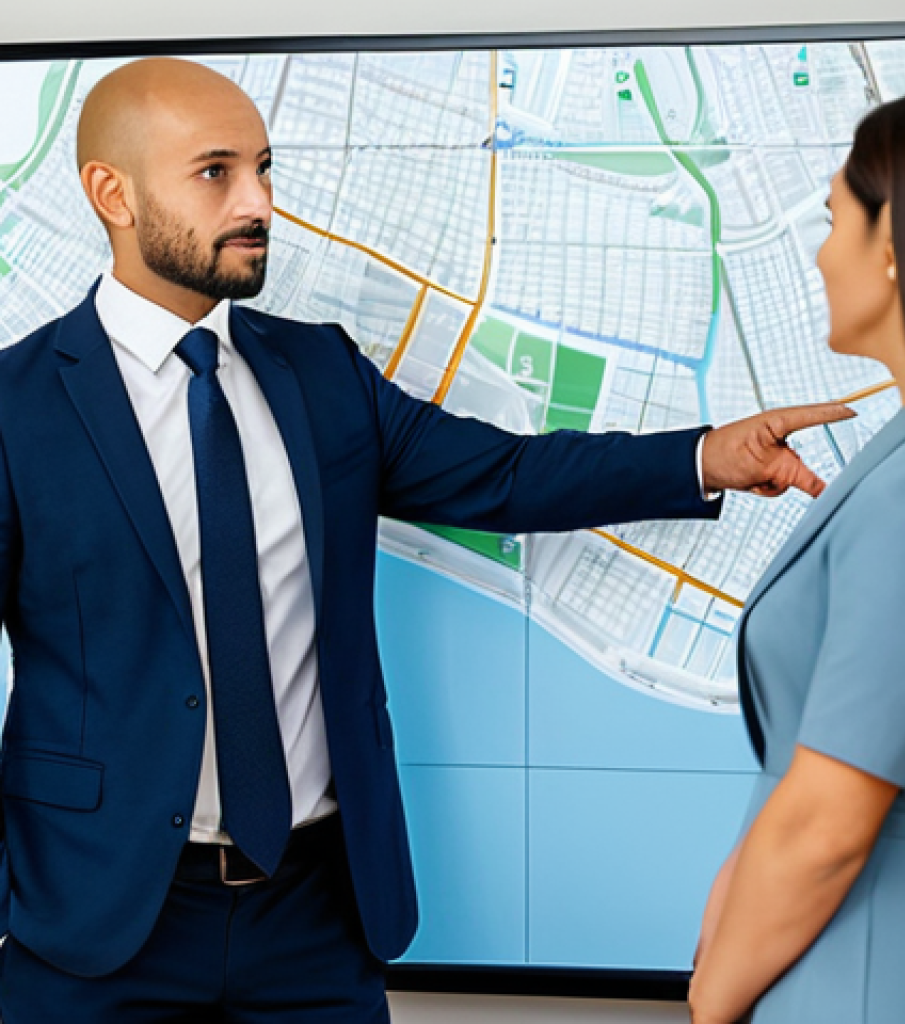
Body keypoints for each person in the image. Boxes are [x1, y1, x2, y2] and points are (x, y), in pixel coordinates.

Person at [0, 58, 850, 1022]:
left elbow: (506, 474)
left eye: (265, 169)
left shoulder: (317, 373)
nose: (258, 202)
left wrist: (706, 454)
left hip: (314, 922)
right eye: (217, 173)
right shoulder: (15, 406)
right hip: (96, 927)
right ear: (111, 192)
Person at [688, 82, 905, 1024]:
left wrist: (712, 997)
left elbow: (827, 823)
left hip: (877, 978)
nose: (820, 248)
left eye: (835, 218)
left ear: (893, 249)